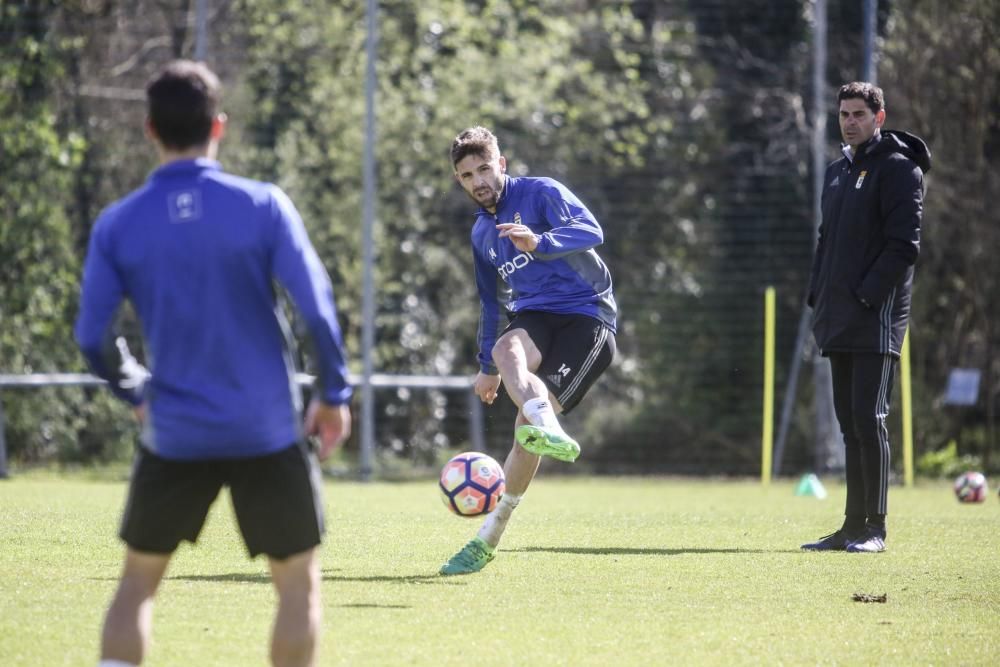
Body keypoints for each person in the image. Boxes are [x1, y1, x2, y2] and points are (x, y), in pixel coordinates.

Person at [75, 60, 352, 667]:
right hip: (268, 429)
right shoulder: (263, 206)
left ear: (150, 130)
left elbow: (92, 336)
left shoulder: (118, 223)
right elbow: (318, 311)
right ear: (218, 127)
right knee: (297, 588)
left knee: (137, 586)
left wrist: (138, 392)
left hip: (173, 431)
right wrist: (333, 393)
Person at [439, 126, 617, 575]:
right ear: (459, 181)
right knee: (505, 350)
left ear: (501, 163)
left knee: (523, 429)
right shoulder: (482, 233)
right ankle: (545, 421)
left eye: (484, 168)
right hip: (536, 314)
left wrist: (540, 242)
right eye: (466, 175)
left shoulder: (541, 193)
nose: (478, 181)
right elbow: (490, 302)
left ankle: (489, 536)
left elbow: (591, 230)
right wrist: (487, 369)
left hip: (587, 314)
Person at [802, 82, 930, 554]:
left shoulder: (899, 170)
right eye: (844, 114)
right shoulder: (838, 172)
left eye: (859, 114)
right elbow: (826, 240)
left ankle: (874, 529)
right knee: (848, 425)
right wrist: (818, 297)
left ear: (879, 117)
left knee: (869, 418)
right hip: (836, 317)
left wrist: (866, 296)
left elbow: (904, 247)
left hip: (875, 318)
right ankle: (850, 527)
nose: (850, 122)